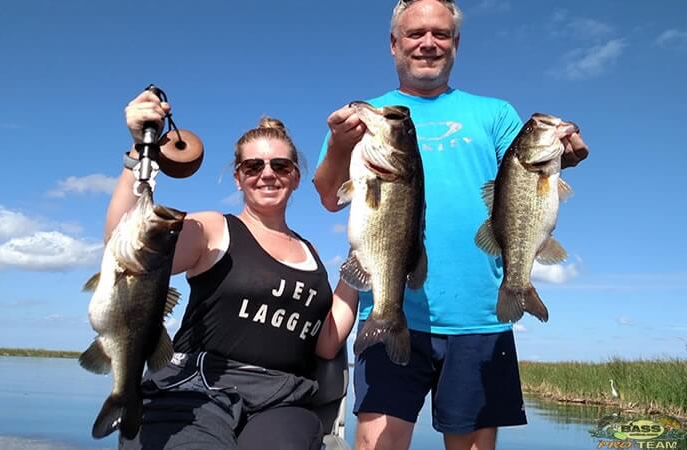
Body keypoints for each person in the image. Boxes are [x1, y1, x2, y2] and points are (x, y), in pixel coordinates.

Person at [313, 1, 589, 449]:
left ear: (456, 44)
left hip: (480, 314)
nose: (428, 43)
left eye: (440, 34)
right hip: (393, 304)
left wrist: (567, 155)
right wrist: (339, 148)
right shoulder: (364, 117)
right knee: (374, 443)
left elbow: (524, 178)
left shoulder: (495, 114)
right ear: (394, 44)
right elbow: (329, 195)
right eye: (415, 34)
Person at [107, 89, 358, 450]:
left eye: (280, 166)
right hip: (196, 389)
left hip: (281, 398)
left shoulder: (311, 252)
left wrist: (359, 263)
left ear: (296, 176)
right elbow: (126, 249)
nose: (267, 174)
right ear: (238, 177)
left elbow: (327, 341)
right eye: (253, 166)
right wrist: (139, 153)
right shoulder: (212, 230)